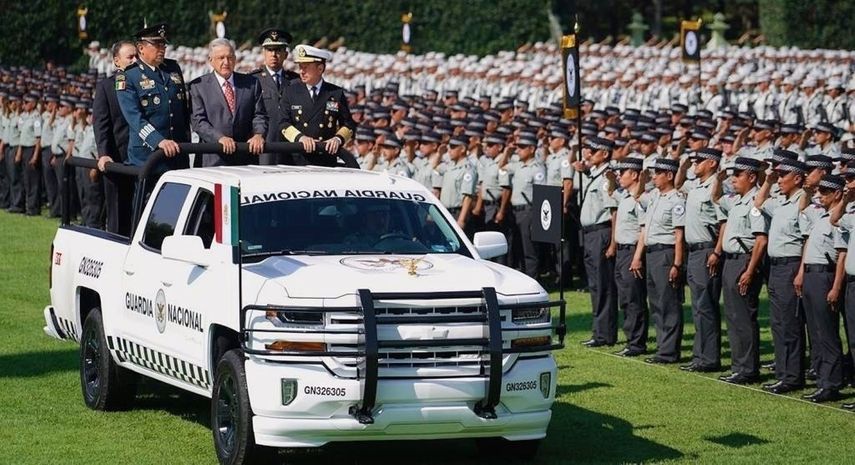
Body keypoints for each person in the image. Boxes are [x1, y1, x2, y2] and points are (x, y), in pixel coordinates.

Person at [753, 156, 808, 393]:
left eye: (783, 176)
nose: (779, 180)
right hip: (775, 267)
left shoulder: (802, 202)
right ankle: (783, 373)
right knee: (777, 323)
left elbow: (806, 239)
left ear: (797, 178)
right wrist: (768, 180)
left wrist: (801, 272)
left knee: (790, 323)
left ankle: (793, 377)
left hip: (791, 266)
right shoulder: (782, 202)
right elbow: (758, 202)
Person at [714, 157, 769, 384]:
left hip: (744, 261)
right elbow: (716, 197)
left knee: (744, 317)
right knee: (733, 316)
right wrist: (717, 179)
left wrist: (749, 270)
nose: (733, 179)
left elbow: (761, 241)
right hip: (730, 260)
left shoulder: (755, 203)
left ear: (752, 177)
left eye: (738, 175)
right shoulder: (737, 201)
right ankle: (738, 366)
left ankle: (748, 369)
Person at [796, 174, 847, 403]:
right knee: (816, 333)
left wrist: (836, 287)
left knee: (827, 333)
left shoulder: (840, 219)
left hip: (826, 275)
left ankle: (832, 384)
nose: (820, 195)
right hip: (811, 275)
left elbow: (842, 257)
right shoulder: (820, 214)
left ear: (837, 193)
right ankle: (822, 379)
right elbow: (803, 207)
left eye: (825, 192)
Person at [116, 23, 191, 175]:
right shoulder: (128, 76)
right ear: (141, 48)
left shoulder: (173, 69)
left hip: (177, 153)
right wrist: (158, 141)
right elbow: (135, 118)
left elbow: (183, 110)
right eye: (156, 44)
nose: (162, 48)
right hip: (148, 156)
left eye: (163, 44)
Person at [635, 158, 685, 364]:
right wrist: (642, 179)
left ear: (670, 175)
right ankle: (662, 348)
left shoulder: (676, 200)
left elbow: (679, 235)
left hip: (666, 253)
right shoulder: (655, 196)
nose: (654, 177)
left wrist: (677, 264)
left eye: (658, 173)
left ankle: (669, 352)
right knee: (656, 303)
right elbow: (637, 196)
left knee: (669, 304)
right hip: (652, 253)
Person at [678, 147, 724, 372]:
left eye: (699, 161)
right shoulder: (696, 185)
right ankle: (700, 356)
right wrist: (684, 165)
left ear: (713, 163)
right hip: (694, 251)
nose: (695, 164)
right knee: (697, 306)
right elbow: (678, 183)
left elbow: (723, 222)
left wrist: (717, 251)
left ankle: (710, 359)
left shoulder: (715, 186)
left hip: (707, 249)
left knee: (706, 306)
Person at [189, 38, 267, 167]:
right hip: (213, 159)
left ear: (235, 59)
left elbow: (259, 115)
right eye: (221, 58)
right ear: (211, 61)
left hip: (245, 158)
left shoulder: (251, 83)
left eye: (230, 57)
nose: (226, 62)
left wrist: (258, 134)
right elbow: (198, 121)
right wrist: (219, 138)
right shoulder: (198, 86)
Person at [279, 44, 358, 168]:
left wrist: (337, 139)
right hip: (298, 159)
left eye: (305, 67)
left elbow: (348, 125)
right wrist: (301, 138)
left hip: (325, 158)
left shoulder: (335, 93)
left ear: (320, 69)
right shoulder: (290, 92)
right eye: (300, 67)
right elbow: (283, 123)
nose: (301, 71)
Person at [576, 137, 619, 347]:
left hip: (602, 233)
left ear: (604, 154)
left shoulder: (606, 178)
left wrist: (613, 242)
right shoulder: (594, 174)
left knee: (603, 285)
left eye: (593, 151)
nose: (588, 154)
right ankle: (599, 332)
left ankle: (605, 335)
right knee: (595, 285)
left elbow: (613, 213)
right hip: (590, 233)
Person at [94, 40, 135, 235]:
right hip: (118, 159)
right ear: (117, 61)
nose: (135, 60)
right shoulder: (106, 87)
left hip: (143, 160)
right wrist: (103, 153)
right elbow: (101, 124)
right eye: (130, 57)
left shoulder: (146, 83)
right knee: (118, 215)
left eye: (137, 56)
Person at [610, 157, 649, 357]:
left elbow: (643, 230)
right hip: (622, 252)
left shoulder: (639, 199)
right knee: (625, 298)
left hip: (632, 251)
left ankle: (636, 344)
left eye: (622, 172)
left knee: (634, 299)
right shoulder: (625, 197)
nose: (618, 176)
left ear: (634, 175)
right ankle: (630, 340)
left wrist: (637, 257)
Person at [250, 28, 298, 165]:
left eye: (278, 50)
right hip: (263, 149)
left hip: (291, 150)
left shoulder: (295, 81)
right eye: (270, 50)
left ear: (286, 54)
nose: (274, 54)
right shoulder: (253, 80)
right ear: (263, 53)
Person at [499, 134, 543, 278]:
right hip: (515, 211)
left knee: (529, 249)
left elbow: (541, 194)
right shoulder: (518, 165)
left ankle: (533, 279)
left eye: (522, 147)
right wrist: (507, 151)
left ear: (531, 149)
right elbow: (501, 166)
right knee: (517, 248)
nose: (518, 150)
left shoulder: (537, 168)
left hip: (529, 211)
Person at [438, 135, 478, 232]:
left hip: (457, 213)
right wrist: (439, 154)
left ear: (463, 149)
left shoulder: (468, 169)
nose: (449, 151)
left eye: (453, 147)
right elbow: (434, 167)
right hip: (446, 212)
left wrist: (461, 220)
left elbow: (467, 197)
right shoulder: (450, 166)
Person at [16, 93, 42, 216]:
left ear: (33, 104)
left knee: (33, 180)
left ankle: (33, 208)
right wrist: (19, 152)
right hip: (25, 148)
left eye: (27, 103)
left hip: (32, 149)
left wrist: (35, 155)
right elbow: (21, 136)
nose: (24, 105)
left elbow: (38, 138)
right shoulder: (24, 116)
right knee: (26, 179)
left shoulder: (37, 118)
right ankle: (28, 206)